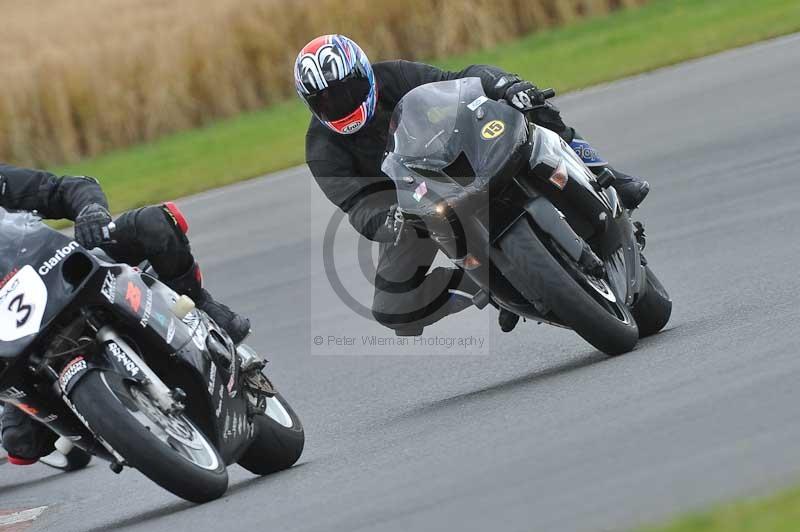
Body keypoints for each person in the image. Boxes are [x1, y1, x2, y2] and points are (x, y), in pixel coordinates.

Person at [296, 34, 650, 336]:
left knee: (530, 104)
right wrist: (388, 220)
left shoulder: (393, 75)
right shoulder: (321, 151)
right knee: (394, 309)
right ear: (312, 106)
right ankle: (479, 287)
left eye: (348, 90)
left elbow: (457, 79)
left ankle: (608, 172)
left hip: (460, 150)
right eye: (327, 100)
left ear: (364, 72)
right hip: (411, 204)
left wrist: (502, 84)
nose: (342, 103)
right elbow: (357, 204)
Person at [0, 163, 250, 465]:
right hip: (15, 339)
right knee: (20, 441)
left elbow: (64, 188)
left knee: (153, 224)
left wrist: (90, 210)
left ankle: (201, 305)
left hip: (54, 274)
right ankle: (88, 426)